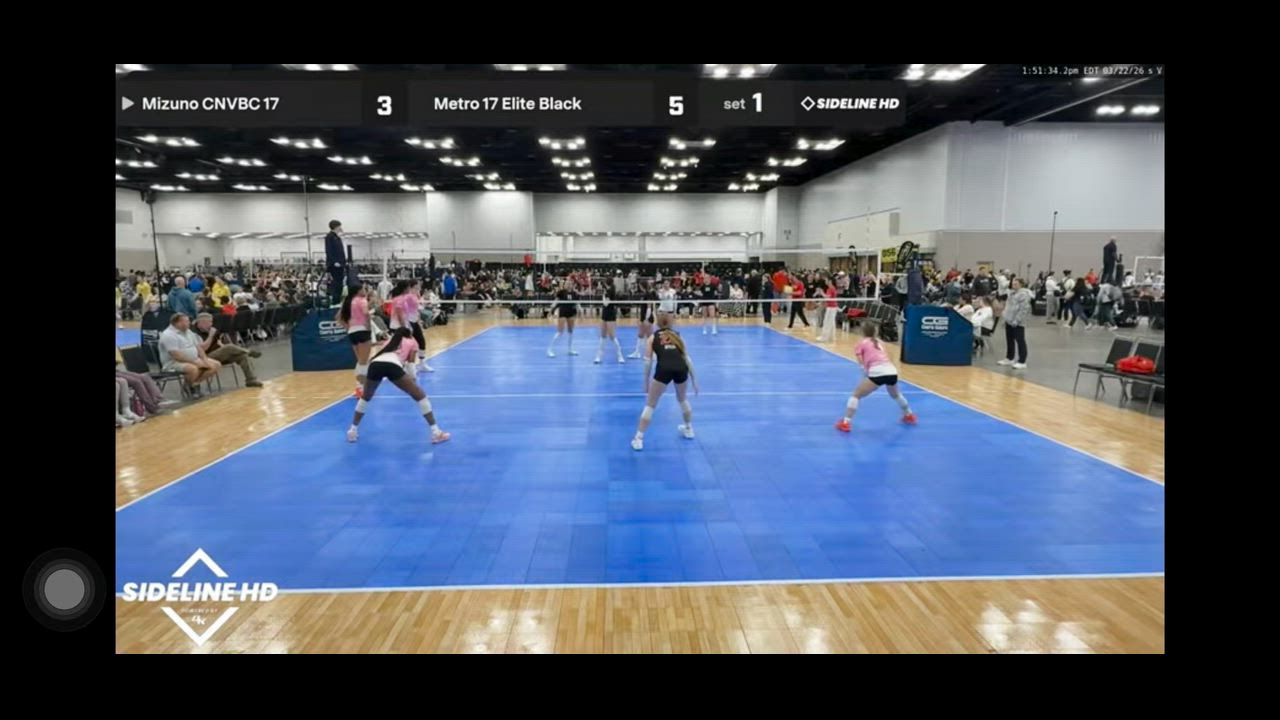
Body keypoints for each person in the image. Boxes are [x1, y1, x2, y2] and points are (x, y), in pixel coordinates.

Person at [346, 328, 450, 445]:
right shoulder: (412, 342)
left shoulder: (389, 340)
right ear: (409, 334)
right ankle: (436, 433)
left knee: (365, 397)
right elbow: (411, 364)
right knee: (421, 396)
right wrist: (413, 380)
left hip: (375, 365)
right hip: (393, 367)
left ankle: (352, 431)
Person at [631, 313, 699, 451]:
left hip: (664, 368)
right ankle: (689, 428)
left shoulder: (652, 337)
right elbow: (687, 359)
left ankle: (638, 438)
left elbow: (647, 362)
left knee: (650, 405)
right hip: (681, 368)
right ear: (671, 323)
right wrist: (694, 380)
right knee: (682, 399)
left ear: (657, 323)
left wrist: (646, 380)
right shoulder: (678, 336)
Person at [835, 321, 917, 433]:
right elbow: (887, 356)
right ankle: (909, 415)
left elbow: (861, 362)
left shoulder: (861, 344)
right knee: (896, 395)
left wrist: (865, 374)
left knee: (856, 395)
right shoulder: (880, 342)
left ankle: (845, 423)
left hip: (877, 372)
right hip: (891, 371)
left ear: (862, 331)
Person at [193, 313, 263, 388]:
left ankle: (251, 380)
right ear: (202, 322)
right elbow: (203, 349)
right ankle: (249, 351)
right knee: (229, 347)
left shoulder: (211, 330)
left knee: (242, 356)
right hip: (204, 357)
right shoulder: (194, 333)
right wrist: (210, 336)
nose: (211, 324)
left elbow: (221, 344)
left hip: (218, 354)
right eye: (210, 322)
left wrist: (222, 345)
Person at [158, 313, 221, 394]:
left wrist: (205, 360)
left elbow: (199, 348)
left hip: (193, 359)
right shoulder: (168, 335)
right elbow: (176, 355)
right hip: (173, 363)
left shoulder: (188, 331)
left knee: (216, 365)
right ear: (178, 323)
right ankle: (190, 387)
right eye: (187, 321)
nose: (189, 323)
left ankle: (194, 384)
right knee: (193, 368)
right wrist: (195, 362)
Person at [338, 282, 374, 396]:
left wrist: (348, 328)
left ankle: (360, 386)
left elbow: (339, 317)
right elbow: (366, 313)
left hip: (352, 332)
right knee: (364, 361)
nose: (364, 290)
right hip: (363, 330)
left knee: (360, 360)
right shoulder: (362, 300)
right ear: (358, 291)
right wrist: (368, 326)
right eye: (363, 289)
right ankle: (360, 388)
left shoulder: (347, 302)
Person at [998, 278, 1032, 369]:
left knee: (1020, 340)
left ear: (1021, 284)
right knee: (1009, 340)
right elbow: (1007, 306)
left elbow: (1024, 309)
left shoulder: (1024, 294)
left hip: (1018, 322)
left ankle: (1022, 361)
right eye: (1013, 284)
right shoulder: (1011, 293)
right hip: (1009, 320)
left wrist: (1017, 320)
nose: (1013, 285)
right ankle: (1009, 358)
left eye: (1016, 284)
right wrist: (1005, 318)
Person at [594, 285, 626, 364]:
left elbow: (605, 303)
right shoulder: (607, 291)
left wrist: (603, 295)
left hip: (610, 316)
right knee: (603, 336)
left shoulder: (610, 292)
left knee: (612, 336)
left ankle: (620, 355)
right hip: (604, 315)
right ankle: (599, 356)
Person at [547, 281, 580, 357]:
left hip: (571, 313)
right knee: (560, 332)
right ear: (564, 285)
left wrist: (580, 311)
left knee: (570, 331)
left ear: (572, 285)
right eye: (567, 284)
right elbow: (556, 301)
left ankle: (570, 350)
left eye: (570, 284)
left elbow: (577, 303)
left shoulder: (574, 293)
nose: (568, 285)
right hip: (563, 313)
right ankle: (550, 350)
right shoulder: (561, 292)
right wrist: (551, 310)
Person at [324, 220, 346, 306]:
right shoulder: (329, 237)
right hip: (335, 264)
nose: (341, 228)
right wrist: (334, 262)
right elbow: (329, 250)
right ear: (336, 227)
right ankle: (335, 300)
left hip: (340, 263)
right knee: (337, 283)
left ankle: (338, 299)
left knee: (340, 282)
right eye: (339, 226)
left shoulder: (337, 237)